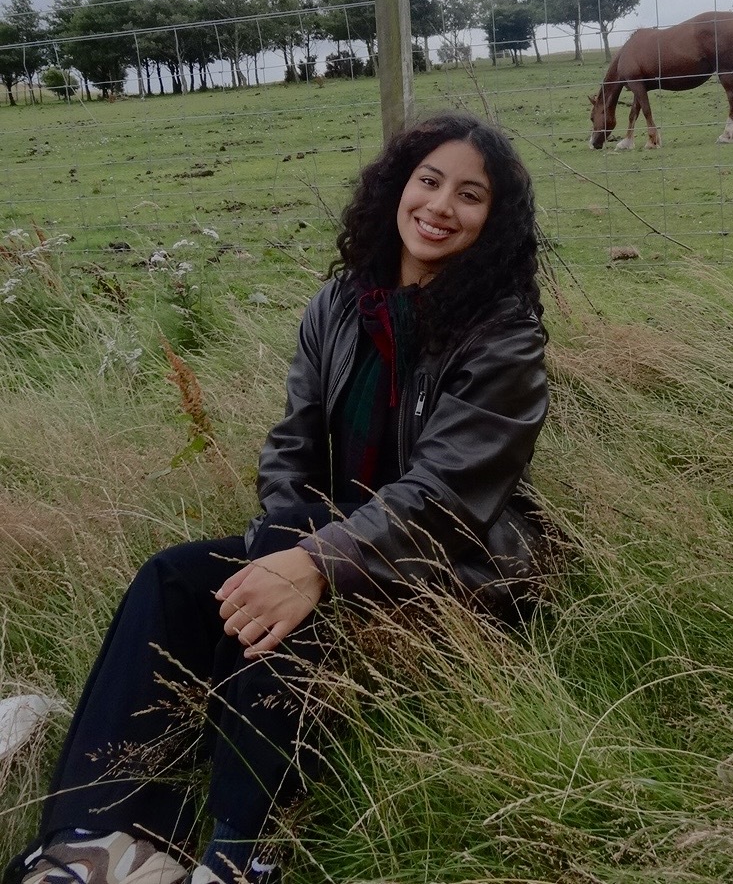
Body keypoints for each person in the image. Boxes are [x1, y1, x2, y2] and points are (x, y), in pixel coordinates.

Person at [5, 112, 548, 884]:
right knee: (171, 578)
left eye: (470, 194)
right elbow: (292, 444)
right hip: (326, 538)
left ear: (492, 221)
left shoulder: (505, 337)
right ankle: (94, 835)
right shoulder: (339, 304)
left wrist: (316, 562)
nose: (440, 205)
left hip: (451, 567)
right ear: (399, 186)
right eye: (429, 180)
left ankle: (240, 850)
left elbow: (449, 493)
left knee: (286, 602)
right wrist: (287, 543)